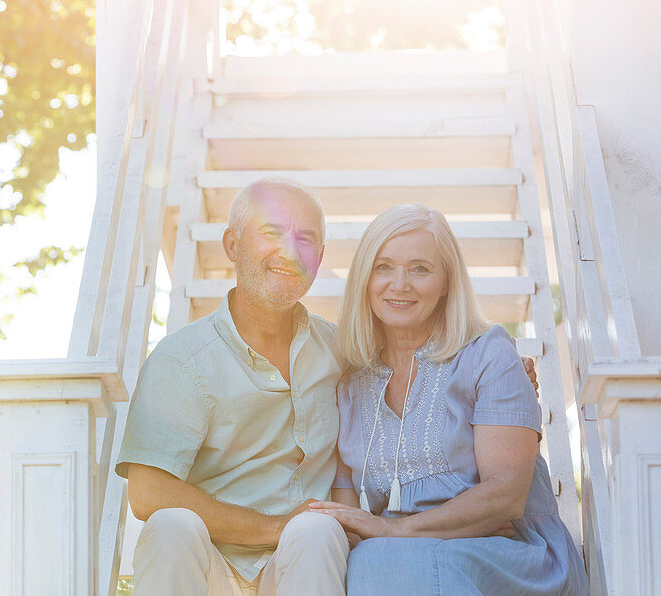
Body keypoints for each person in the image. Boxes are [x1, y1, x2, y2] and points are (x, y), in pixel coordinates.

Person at [308, 203, 587, 595]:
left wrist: (394, 529)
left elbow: (505, 497)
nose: (399, 283)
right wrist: (387, 533)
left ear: (447, 282)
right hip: (399, 560)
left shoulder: (487, 354)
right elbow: (350, 515)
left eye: (420, 268)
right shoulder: (351, 386)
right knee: (358, 561)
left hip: (505, 555)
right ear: (364, 279)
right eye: (383, 267)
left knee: (378, 560)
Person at [115, 178, 350, 595]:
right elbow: (148, 494)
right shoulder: (181, 359)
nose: (289, 251)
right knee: (170, 524)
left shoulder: (342, 352)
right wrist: (273, 527)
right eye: (271, 233)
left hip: (303, 561)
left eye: (306, 239)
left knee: (317, 531)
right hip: (210, 566)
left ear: (320, 258)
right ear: (231, 245)